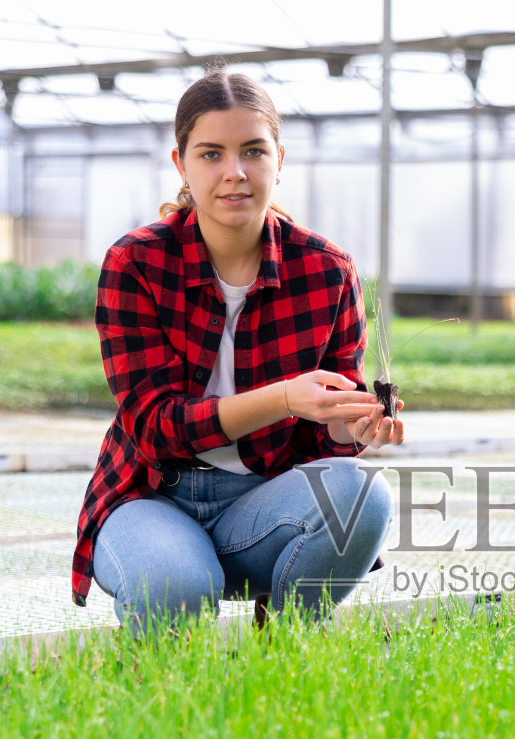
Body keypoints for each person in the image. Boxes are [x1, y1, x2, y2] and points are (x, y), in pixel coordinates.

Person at [71, 65, 401, 636]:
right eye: (211, 154)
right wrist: (283, 398)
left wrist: (354, 428)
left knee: (363, 497)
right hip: (154, 497)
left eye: (253, 151)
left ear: (279, 158)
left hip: (263, 507)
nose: (235, 173)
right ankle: (169, 682)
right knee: (174, 584)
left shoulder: (326, 272)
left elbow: (323, 439)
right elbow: (155, 427)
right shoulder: (136, 264)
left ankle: (287, 650)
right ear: (181, 163)